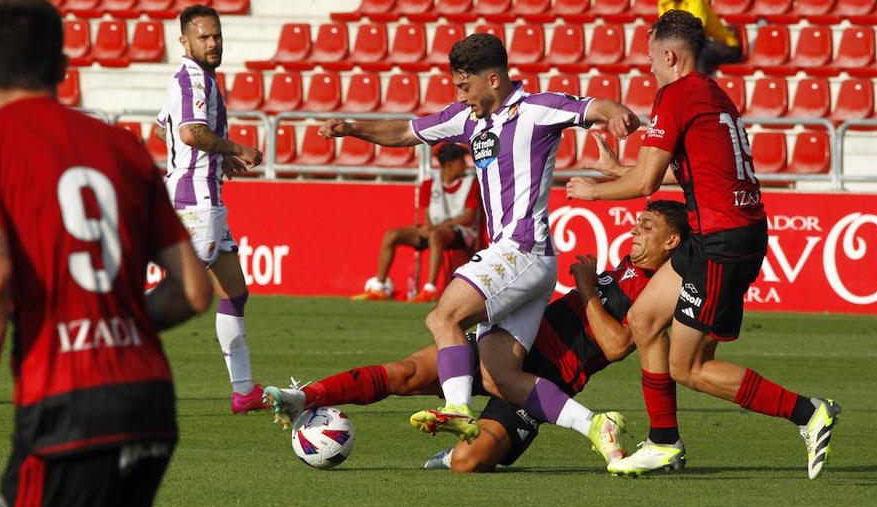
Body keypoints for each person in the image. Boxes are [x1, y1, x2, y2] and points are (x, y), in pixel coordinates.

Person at [0, 0, 256, 507]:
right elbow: (194, 291)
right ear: (63, 66)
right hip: (150, 405)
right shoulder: (122, 149)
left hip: (68, 407)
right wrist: (124, 324)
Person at [317, 33, 641, 468]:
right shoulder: (467, 120)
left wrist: (616, 111)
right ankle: (596, 425)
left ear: (493, 79)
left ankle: (455, 409)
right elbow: (407, 130)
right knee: (499, 375)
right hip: (524, 260)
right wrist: (352, 128)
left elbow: (591, 107)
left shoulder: (536, 109)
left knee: (443, 316)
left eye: (464, 86)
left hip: (521, 247)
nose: (459, 95)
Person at [565, 10, 839, 479]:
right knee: (644, 318)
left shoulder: (675, 94)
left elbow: (648, 180)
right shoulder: (712, 94)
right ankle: (664, 443)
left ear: (669, 55)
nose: (649, 66)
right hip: (721, 231)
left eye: (651, 57)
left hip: (721, 242)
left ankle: (808, 412)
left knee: (687, 368)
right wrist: (617, 173)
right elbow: (695, 173)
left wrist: (594, 191)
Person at [265, 200, 690, 474]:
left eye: (646, 226)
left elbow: (616, 345)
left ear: (672, 241)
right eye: (637, 223)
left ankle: (485, 436)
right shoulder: (628, 266)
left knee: (469, 463)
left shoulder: (658, 290)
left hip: (547, 377)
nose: (635, 230)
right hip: (510, 344)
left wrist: (585, 287)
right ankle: (309, 396)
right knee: (407, 373)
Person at [155, 5, 267, 413]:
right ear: (184, 41)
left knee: (234, 291)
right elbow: (191, 132)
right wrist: (237, 149)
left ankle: (244, 392)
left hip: (202, 193)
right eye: (203, 37)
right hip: (196, 199)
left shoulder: (189, 80)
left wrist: (221, 160)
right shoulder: (194, 80)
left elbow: (166, 127)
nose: (213, 42)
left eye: (216, 35)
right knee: (181, 293)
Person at [354, 142, 481, 302]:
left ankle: (430, 290)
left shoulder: (471, 184)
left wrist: (435, 227)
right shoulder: (429, 184)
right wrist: (429, 227)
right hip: (436, 230)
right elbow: (427, 215)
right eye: (461, 161)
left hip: (462, 233)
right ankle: (379, 287)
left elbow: (468, 218)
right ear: (449, 164)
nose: (465, 165)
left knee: (435, 234)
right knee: (392, 235)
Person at [658, 0, 741, 70]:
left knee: (696, 54)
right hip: (693, 44)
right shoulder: (663, 1)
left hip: (723, 45)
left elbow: (695, 30)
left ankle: (698, 86)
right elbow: (665, 30)